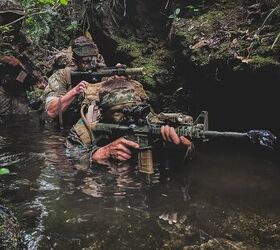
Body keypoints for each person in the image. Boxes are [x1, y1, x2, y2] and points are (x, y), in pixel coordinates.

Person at [66, 76, 194, 167]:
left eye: (131, 109)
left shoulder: (148, 120)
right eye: (117, 111)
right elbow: (68, 158)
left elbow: (189, 155)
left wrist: (182, 148)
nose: (126, 116)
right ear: (103, 111)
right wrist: (101, 153)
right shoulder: (85, 127)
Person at [43, 36, 106, 124]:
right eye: (85, 62)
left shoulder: (102, 72)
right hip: (65, 127)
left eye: (93, 60)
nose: (91, 65)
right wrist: (74, 91)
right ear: (74, 61)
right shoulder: (63, 75)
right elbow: (51, 111)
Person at [0, 0, 46, 115]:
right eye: (9, 17)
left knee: (21, 120)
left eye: (17, 18)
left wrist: (19, 64)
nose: (14, 22)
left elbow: (35, 63)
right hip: (2, 86)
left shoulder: (23, 40)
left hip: (18, 88)